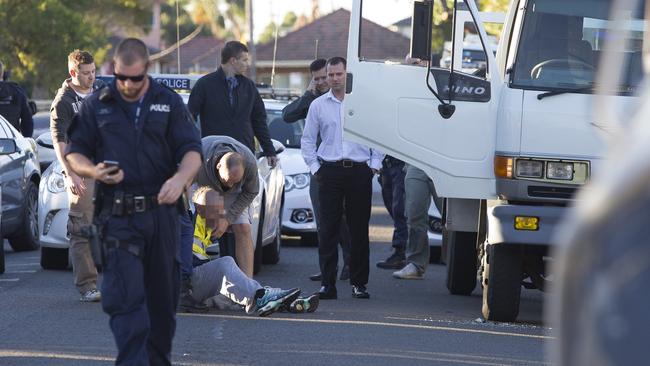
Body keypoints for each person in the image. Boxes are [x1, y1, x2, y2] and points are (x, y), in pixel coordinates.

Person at [65, 38, 202, 365]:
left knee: (162, 310)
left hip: (162, 215)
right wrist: (94, 170)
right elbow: (75, 152)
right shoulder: (97, 104)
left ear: (148, 71)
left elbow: (192, 152)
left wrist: (180, 180)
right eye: (121, 76)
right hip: (119, 218)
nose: (127, 84)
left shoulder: (168, 103)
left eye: (135, 78)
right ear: (114, 69)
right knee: (127, 307)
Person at [301, 57, 383, 300]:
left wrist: (374, 165)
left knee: (359, 229)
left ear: (347, 74)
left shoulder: (364, 103)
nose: (334, 78)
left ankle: (359, 283)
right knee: (328, 229)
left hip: (359, 171)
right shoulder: (318, 105)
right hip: (329, 170)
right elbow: (307, 140)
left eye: (339, 74)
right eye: (330, 75)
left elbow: (379, 135)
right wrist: (316, 168)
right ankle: (328, 284)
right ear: (325, 76)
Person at [181, 186, 319, 315]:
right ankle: (261, 297)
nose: (220, 214)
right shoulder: (190, 223)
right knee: (225, 265)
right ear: (199, 209)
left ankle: (285, 302)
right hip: (185, 285)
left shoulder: (205, 226)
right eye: (215, 209)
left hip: (192, 285)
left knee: (235, 289)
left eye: (221, 209)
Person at [282, 58, 351, 282]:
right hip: (319, 169)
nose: (322, 81)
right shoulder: (314, 102)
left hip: (344, 167)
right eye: (318, 78)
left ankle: (350, 263)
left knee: (344, 219)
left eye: (325, 76)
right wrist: (307, 94)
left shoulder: (344, 98)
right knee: (322, 220)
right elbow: (287, 115)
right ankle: (327, 267)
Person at [50, 49, 104, 302]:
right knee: (81, 228)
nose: (91, 77)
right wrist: (70, 174)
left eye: (93, 72)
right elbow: (59, 141)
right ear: (73, 72)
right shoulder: (63, 101)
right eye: (86, 73)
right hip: (82, 171)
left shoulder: (104, 92)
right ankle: (88, 285)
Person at [188, 40, 278, 168]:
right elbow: (189, 118)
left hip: (244, 153)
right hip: (213, 155)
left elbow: (259, 121)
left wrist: (269, 150)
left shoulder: (249, 87)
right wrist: (193, 147)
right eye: (244, 60)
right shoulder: (205, 85)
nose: (248, 64)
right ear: (232, 60)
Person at [191, 135, 260, 278]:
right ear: (218, 166)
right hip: (203, 186)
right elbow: (185, 186)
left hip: (236, 194)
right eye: (228, 181)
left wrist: (228, 219)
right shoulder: (199, 158)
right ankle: (194, 272)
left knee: (243, 228)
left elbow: (251, 192)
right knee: (200, 224)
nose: (230, 185)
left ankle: (248, 284)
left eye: (235, 181)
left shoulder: (250, 164)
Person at [392, 165, 440, 280]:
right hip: (418, 161)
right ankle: (416, 264)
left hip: (446, 160)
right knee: (414, 214)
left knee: (453, 217)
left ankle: (463, 264)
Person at [376, 155, 408, 269]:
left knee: (399, 209)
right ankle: (403, 251)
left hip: (401, 164)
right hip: (387, 164)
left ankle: (401, 252)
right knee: (393, 208)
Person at [0, 60, 33, 137]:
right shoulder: (16, 91)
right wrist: (26, 140)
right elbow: (27, 121)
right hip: (10, 143)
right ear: (2, 73)